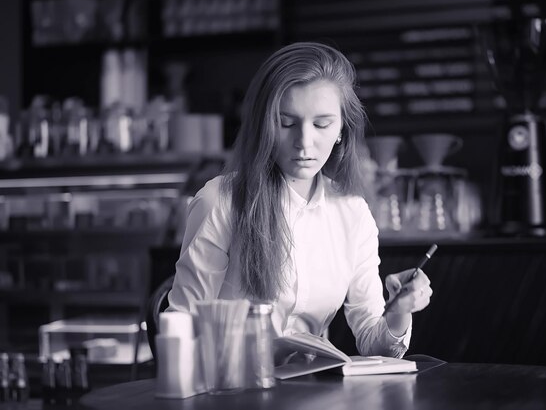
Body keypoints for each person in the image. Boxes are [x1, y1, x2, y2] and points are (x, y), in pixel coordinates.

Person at [167, 41, 433, 358]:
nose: (304, 143)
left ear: (341, 131)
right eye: (287, 123)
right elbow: (181, 329)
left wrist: (399, 310)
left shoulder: (352, 212)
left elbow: (375, 344)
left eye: (322, 124)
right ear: (264, 124)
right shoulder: (222, 202)